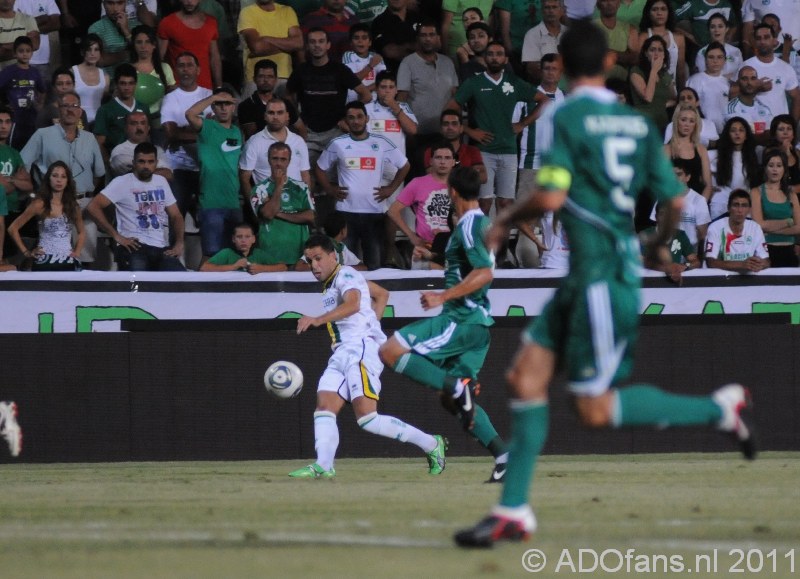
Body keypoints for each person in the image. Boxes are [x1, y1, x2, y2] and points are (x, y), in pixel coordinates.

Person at [454, 20, 757, 548]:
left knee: (592, 408)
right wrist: (661, 245)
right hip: (593, 275)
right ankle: (513, 512)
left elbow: (549, 196)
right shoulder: (636, 124)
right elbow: (677, 201)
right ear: (612, 64)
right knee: (525, 378)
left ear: (563, 68)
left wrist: (504, 220)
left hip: (599, 278)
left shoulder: (565, 114)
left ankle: (718, 409)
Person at [379, 166, 510, 482]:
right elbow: (471, 266)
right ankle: (505, 458)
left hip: (460, 320)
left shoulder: (468, 225)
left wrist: (443, 296)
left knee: (390, 351)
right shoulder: (479, 224)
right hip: (477, 326)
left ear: (452, 191)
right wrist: (433, 258)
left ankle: (457, 388)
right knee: (452, 398)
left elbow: (485, 273)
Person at [289, 233, 448, 479]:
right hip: (343, 351)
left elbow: (353, 304)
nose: (314, 266)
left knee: (368, 419)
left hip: (360, 350)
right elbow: (382, 294)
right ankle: (323, 465)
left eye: (318, 258)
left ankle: (431, 444)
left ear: (333, 256)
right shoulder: (335, 281)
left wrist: (318, 320)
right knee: (324, 405)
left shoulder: (347, 275)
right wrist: (372, 321)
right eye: (310, 261)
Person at [315, 100, 409, 270]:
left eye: (359, 117)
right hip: (346, 213)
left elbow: (405, 166)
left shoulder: (381, 142)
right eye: (351, 118)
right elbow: (320, 168)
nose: (356, 121)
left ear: (367, 119)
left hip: (374, 213)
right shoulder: (338, 143)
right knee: (346, 266)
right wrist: (330, 189)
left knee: (374, 265)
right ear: (346, 121)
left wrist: (390, 189)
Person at [447, 41, 537, 216]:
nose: (495, 58)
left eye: (499, 54)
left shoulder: (514, 82)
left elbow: (544, 100)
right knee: (484, 202)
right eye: (491, 54)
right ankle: (481, 242)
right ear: (485, 58)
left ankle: (501, 244)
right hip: (483, 151)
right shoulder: (474, 82)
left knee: (506, 203)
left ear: (506, 59)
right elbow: (450, 108)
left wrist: (523, 124)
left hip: (509, 149)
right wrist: (468, 129)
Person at [21, 92, 105, 266]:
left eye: (74, 106)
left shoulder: (90, 139)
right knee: (51, 254)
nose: (70, 110)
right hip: (52, 203)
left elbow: (99, 173)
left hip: (82, 202)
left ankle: (83, 285)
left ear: (80, 111)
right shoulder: (42, 135)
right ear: (58, 110)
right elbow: (22, 166)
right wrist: (35, 194)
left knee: (86, 250)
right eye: (65, 106)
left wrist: (84, 193)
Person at [88, 142, 185, 272]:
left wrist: (179, 242)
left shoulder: (161, 181)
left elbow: (176, 215)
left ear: (156, 163)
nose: (146, 166)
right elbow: (93, 207)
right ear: (133, 162)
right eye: (141, 161)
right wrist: (116, 236)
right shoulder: (122, 182)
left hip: (161, 246)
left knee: (180, 281)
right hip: (134, 246)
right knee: (136, 287)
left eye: (150, 162)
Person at [396, 21, 459, 178]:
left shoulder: (447, 62)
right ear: (418, 39)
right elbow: (401, 99)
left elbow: (455, 95)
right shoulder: (408, 62)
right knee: (418, 178)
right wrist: (405, 132)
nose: (427, 39)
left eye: (431, 35)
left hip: (444, 133)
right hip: (417, 135)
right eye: (423, 35)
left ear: (438, 38)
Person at [160, 52, 212, 220]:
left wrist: (184, 129)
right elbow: (171, 134)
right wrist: (201, 130)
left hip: (205, 165)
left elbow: (216, 132)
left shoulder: (208, 96)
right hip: (178, 166)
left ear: (198, 70)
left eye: (189, 65)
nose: (185, 70)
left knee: (208, 216)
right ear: (176, 71)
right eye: (181, 66)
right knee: (176, 215)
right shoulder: (170, 98)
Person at [7, 160, 83, 270]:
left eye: (63, 177)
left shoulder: (73, 206)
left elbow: (81, 232)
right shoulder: (39, 204)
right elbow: (12, 228)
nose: (59, 180)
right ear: (48, 179)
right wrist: (26, 252)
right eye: (55, 176)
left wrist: (77, 252)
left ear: (67, 181)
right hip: (44, 259)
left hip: (68, 259)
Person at [386, 141, 454, 262]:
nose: (443, 162)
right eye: (438, 157)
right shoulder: (417, 183)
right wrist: (411, 236)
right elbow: (393, 211)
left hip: (453, 245)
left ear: (453, 162)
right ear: (431, 161)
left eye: (447, 158)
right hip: (425, 245)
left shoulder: (459, 184)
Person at [250, 141, 315, 266]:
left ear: (289, 161)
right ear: (269, 160)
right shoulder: (259, 189)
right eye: (275, 159)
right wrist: (279, 185)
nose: (279, 163)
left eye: (283, 159)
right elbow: (268, 214)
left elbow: (311, 217)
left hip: (299, 257)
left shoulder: (302, 188)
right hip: (270, 257)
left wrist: (279, 214)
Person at [239, 97, 310, 200]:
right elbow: (244, 178)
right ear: (265, 116)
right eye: (271, 113)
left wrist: (307, 202)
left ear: (287, 116)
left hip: (296, 203)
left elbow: (305, 175)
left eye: (280, 113)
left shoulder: (299, 141)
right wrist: (255, 206)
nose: (275, 117)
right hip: (268, 204)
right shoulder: (254, 142)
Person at [237, 0, 304, 94]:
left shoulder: (287, 11)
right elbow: (257, 48)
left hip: (284, 76)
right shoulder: (247, 12)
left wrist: (266, 39)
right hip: (256, 77)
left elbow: (298, 43)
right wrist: (288, 45)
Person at [749, 148, 800, 266]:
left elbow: (799, 227)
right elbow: (758, 225)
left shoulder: (791, 194)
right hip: (765, 251)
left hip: (789, 250)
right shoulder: (757, 192)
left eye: (779, 165)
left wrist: (771, 230)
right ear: (765, 168)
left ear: (784, 169)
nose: (775, 169)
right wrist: (788, 221)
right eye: (771, 165)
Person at [157, 0, 222, 90]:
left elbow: (215, 57)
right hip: (178, 87)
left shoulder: (211, 22)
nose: (189, 2)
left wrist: (219, 87)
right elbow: (159, 58)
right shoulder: (167, 23)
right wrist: (167, 84)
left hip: (205, 87)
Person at [742, 23, 800, 121]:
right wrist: (756, 88)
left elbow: (797, 97)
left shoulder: (785, 67)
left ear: (774, 40)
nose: (762, 41)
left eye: (766, 37)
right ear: (755, 41)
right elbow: (735, 95)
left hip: (779, 129)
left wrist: (792, 125)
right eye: (758, 38)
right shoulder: (745, 66)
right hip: (753, 126)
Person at [705, 189, 770, 272]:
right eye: (736, 205)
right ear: (728, 208)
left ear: (749, 210)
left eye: (744, 205)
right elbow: (711, 262)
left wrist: (758, 265)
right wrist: (741, 265)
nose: (740, 210)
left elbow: (766, 261)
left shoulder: (755, 228)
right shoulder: (715, 227)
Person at [237, 58, 302, 141]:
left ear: (275, 80)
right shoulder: (245, 106)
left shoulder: (285, 104)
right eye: (261, 76)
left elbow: (301, 129)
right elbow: (252, 135)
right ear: (254, 79)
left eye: (270, 77)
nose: (266, 80)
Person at [93, 63, 149, 159]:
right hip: (116, 160)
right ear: (116, 84)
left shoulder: (144, 108)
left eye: (130, 83)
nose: (127, 88)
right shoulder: (105, 110)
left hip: (142, 161)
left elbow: (147, 137)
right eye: (123, 83)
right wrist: (109, 165)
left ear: (136, 84)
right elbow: (99, 143)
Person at [709, 116, 759, 219]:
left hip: (746, 198)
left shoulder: (755, 154)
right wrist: (711, 186)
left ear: (746, 135)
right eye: (733, 130)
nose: (737, 133)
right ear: (727, 134)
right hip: (722, 198)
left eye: (741, 130)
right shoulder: (714, 155)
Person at [130, 25, 176, 135]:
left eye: (147, 42)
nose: (143, 46)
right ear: (134, 45)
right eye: (139, 42)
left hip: (160, 121)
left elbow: (172, 95)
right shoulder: (128, 69)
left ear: (154, 45)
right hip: (135, 120)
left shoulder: (165, 68)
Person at [0, 36, 43, 150]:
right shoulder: (8, 72)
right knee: (13, 149)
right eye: (21, 51)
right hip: (14, 121)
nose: (25, 54)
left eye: (28, 51)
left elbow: (42, 90)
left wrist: (40, 105)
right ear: (14, 53)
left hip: (31, 119)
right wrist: (3, 106)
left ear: (32, 53)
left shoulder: (35, 72)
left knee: (31, 149)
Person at [641, 201, 700, 283]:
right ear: (656, 217)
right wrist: (667, 269)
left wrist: (684, 266)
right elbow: (642, 261)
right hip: (650, 283)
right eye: (662, 214)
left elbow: (695, 262)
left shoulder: (680, 235)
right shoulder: (646, 235)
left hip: (674, 282)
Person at [664, 104, 713, 202]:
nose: (687, 124)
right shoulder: (666, 149)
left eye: (691, 121)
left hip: (697, 200)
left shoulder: (701, 149)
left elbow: (708, 185)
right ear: (676, 121)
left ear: (696, 124)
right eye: (683, 120)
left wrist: (700, 205)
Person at [629, 34, 676, 134]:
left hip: (662, 124)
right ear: (646, 53)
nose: (656, 53)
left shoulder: (664, 74)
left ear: (664, 54)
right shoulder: (636, 71)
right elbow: (648, 97)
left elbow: (674, 98)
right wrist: (654, 70)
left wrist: (663, 105)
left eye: (660, 50)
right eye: (652, 50)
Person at [423, 109, 486, 184]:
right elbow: (433, 176)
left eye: (454, 124)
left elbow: (483, 177)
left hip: (464, 194)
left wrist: (446, 172)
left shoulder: (473, 151)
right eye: (446, 124)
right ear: (441, 129)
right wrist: (468, 173)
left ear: (461, 128)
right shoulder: (430, 151)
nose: (450, 127)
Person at [109, 111, 173, 180]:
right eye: (134, 124)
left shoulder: (158, 149)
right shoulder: (119, 151)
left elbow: (168, 174)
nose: (139, 127)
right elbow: (134, 176)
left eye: (143, 123)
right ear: (126, 128)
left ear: (148, 128)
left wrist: (143, 171)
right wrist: (159, 170)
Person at [638, 0, 686, 90]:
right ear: (648, 13)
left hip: (673, 91)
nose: (659, 13)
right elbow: (639, 67)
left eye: (663, 9)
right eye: (655, 9)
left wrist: (681, 94)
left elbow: (681, 71)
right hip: (650, 90)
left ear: (669, 12)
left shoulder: (679, 38)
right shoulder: (643, 37)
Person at [294, 210, 365, 271]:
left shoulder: (341, 247)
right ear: (343, 231)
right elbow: (299, 266)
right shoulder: (319, 246)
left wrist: (340, 268)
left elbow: (361, 266)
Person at [199, 221, 282, 273]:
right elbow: (204, 267)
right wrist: (233, 266)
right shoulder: (227, 252)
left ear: (253, 239)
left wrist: (262, 268)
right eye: (239, 237)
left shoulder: (258, 253)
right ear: (233, 239)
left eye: (247, 237)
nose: (243, 240)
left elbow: (282, 267)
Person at [685, 42, 731, 134]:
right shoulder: (694, 80)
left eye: (719, 57)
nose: (715, 61)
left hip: (725, 131)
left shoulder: (728, 83)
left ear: (724, 60)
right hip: (702, 131)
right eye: (711, 57)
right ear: (705, 60)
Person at [13, 0, 60, 86]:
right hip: (20, 59)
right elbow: (14, 23)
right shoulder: (15, 1)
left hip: (42, 59)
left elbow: (55, 24)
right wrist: (43, 18)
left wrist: (29, 28)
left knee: (43, 93)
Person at [88, 0, 143, 74]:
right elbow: (98, 60)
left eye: (120, 3)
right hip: (108, 80)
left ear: (125, 4)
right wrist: (127, 54)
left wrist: (126, 31)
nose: (115, 9)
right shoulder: (96, 28)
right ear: (104, 4)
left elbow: (142, 53)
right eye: (110, 3)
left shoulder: (137, 26)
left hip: (133, 80)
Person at [521, 0, 567, 84]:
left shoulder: (569, 33)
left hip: (568, 85)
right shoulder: (532, 34)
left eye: (554, 7)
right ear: (542, 11)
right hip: (543, 86)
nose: (551, 11)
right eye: (547, 7)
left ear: (562, 10)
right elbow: (532, 68)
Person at [724, 65, 772, 140]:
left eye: (753, 78)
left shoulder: (765, 109)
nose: (749, 82)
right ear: (738, 82)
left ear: (757, 81)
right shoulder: (730, 108)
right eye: (744, 79)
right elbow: (740, 138)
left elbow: (771, 134)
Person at [71, 34, 109, 126]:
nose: (92, 53)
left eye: (96, 50)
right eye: (89, 49)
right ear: (82, 52)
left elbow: (105, 102)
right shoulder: (72, 72)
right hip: (77, 122)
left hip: (98, 123)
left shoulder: (105, 77)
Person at [342, 23, 386, 102]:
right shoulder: (348, 55)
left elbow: (384, 81)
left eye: (364, 38)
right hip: (354, 102)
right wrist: (370, 66)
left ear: (370, 42)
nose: (360, 41)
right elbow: (351, 80)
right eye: (356, 38)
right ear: (351, 42)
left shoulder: (376, 57)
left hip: (374, 102)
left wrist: (365, 92)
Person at [694, 13, 742, 82]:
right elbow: (703, 77)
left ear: (727, 29)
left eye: (720, 26)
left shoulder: (736, 51)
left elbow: (740, 75)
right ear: (708, 30)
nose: (716, 30)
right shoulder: (702, 53)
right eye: (713, 27)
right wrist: (727, 77)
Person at [0, 0, 39, 69]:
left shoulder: (28, 19)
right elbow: (29, 45)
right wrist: (23, 44)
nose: (6, 1)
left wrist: (4, 47)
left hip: (20, 74)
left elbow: (35, 44)